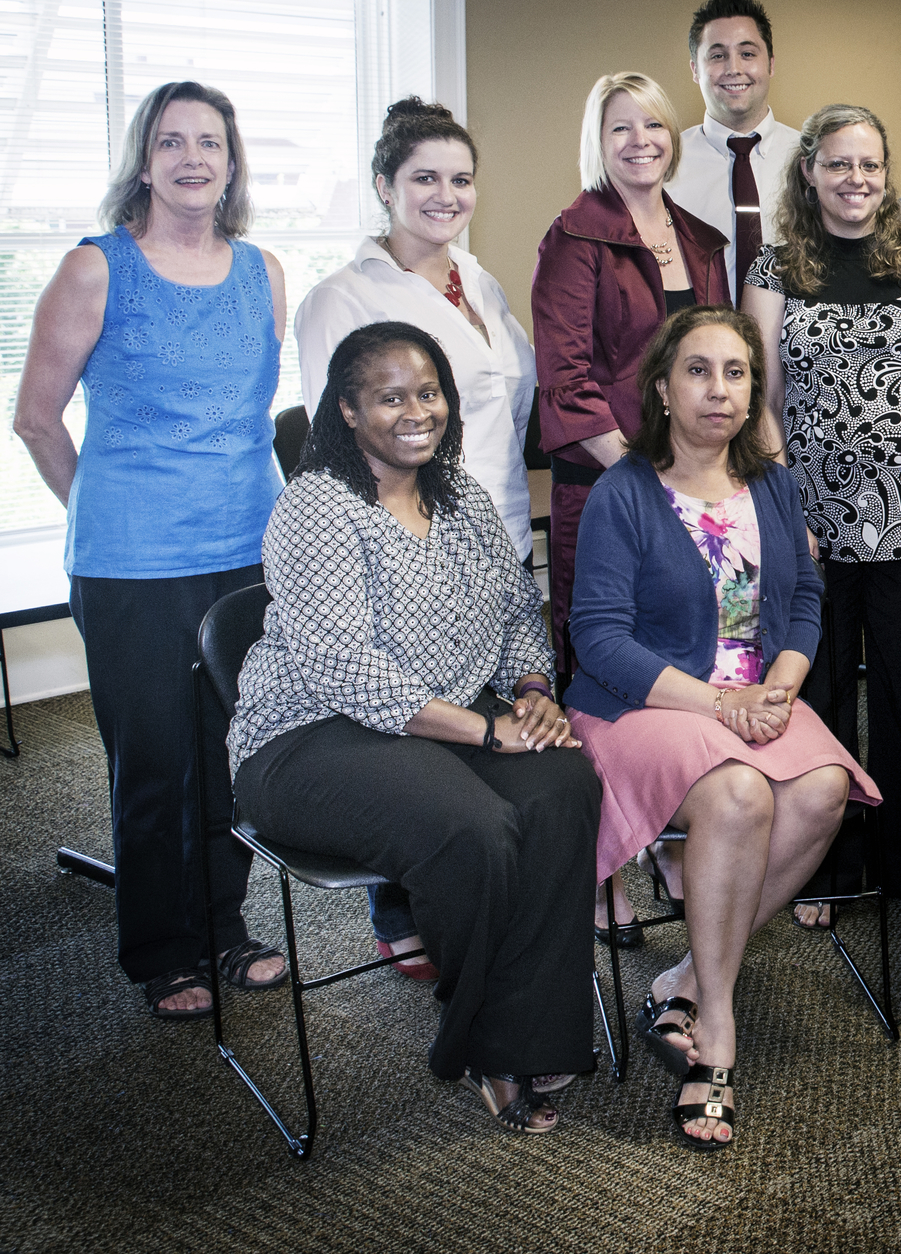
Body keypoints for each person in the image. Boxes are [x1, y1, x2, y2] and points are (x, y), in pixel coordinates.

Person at [228, 322, 600, 1135]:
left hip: (440, 721)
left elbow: (512, 608)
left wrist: (533, 688)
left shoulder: (458, 492)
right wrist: (487, 731)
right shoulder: (317, 504)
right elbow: (343, 667)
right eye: (389, 396)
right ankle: (490, 1045)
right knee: (469, 826)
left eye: (426, 391)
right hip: (308, 737)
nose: (415, 410)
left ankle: (539, 1027)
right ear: (349, 410)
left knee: (565, 783)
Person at [565, 304, 878, 1147]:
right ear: (663, 387)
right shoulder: (622, 492)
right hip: (647, 704)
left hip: (752, 693)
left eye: (736, 372)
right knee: (741, 793)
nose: (719, 389)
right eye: (698, 370)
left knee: (821, 787)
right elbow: (597, 637)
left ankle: (685, 978)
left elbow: (804, 599)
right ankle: (719, 1034)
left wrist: (781, 681)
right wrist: (723, 705)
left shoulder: (772, 484)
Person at [13, 80, 291, 1019]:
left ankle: (225, 926)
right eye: (171, 142)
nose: (191, 159)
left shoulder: (262, 270)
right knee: (155, 758)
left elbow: (247, 417)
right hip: (131, 561)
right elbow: (38, 419)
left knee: (231, 752)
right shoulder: (98, 269)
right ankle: (163, 951)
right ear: (144, 158)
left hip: (246, 553)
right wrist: (108, 508)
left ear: (230, 160)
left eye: (209, 142)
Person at [294, 97, 538, 981]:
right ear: (384, 187)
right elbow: (340, 437)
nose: (446, 194)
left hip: (491, 526)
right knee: (401, 718)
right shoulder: (344, 296)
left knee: (482, 718)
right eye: (424, 178)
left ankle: (479, 884)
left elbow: (508, 408)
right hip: (398, 544)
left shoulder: (479, 280)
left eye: (461, 178)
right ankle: (398, 902)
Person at [743, 103, 901, 920]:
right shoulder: (775, 270)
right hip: (809, 532)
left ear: (888, 171)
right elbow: (761, 400)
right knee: (820, 698)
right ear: (808, 171)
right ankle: (829, 867)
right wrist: (786, 512)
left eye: (870, 165)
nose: (856, 180)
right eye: (838, 164)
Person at [533, 71, 732, 680]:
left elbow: (718, 359)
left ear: (671, 136)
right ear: (598, 140)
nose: (639, 140)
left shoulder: (700, 242)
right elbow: (564, 378)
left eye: (651, 124)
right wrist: (641, 479)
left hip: (690, 479)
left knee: (692, 636)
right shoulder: (574, 238)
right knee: (609, 649)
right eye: (620, 126)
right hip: (607, 486)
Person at [664, 0, 800, 286]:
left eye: (747, 53)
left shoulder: (810, 158)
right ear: (695, 70)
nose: (734, 68)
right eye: (717, 56)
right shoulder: (664, 164)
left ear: (771, 64)